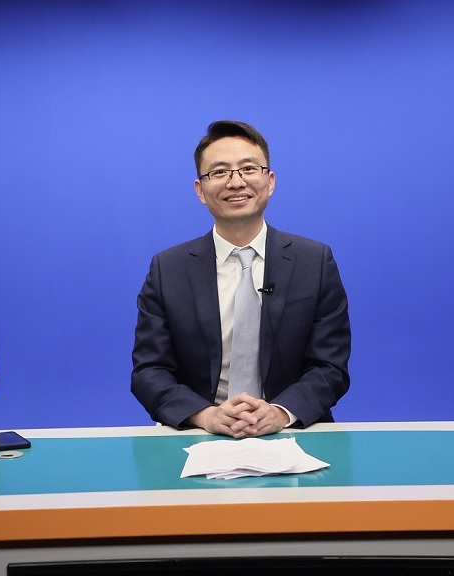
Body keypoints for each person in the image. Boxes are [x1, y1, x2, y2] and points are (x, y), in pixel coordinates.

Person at [131, 120, 351, 438]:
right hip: (199, 433)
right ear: (200, 190)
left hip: (292, 432)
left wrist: (280, 412)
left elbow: (330, 367)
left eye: (248, 169)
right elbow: (149, 371)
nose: (236, 182)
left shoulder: (314, 262)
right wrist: (205, 416)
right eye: (219, 172)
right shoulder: (168, 269)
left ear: (270, 181)